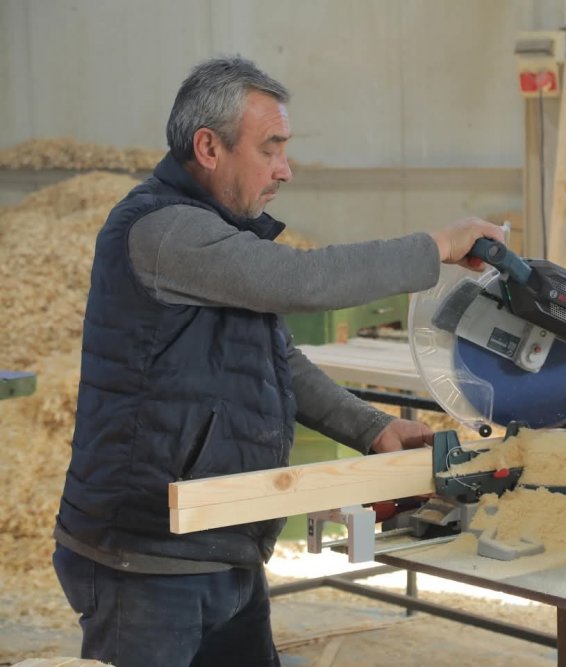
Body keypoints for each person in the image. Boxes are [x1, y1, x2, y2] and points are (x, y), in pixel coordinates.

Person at [52, 56, 504, 667]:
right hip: (148, 558)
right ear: (208, 147)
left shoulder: (219, 232)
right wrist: (440, 246)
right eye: (270, 148)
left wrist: (372, 427)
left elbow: (276, 359)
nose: (285, 170)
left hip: (225, 541)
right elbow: (304, 280)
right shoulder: (164, 231)